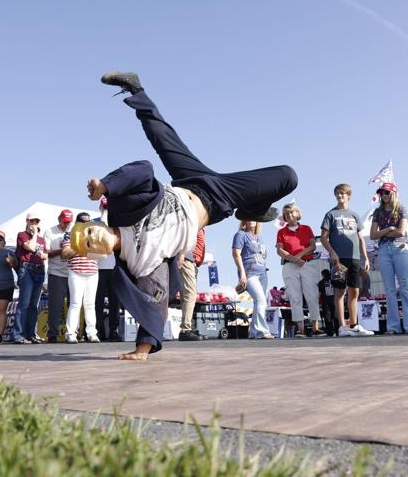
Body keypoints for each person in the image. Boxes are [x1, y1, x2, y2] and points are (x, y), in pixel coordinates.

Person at [69, 71, 297, 360]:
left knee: (162, 136)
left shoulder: (120, 210)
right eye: (89, 244)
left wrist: (106, 185)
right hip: (217, 200)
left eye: (90, 232)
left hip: (188, 181)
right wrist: (142, 349)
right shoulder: (139, 263)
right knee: (288, 176)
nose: (94, 238)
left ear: (97, 224)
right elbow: (155, 301)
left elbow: (143, 170)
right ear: (98, 254)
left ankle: (136, 89)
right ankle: (250, 209)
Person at [320, 183, 373, 337]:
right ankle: (342, 326)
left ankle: (354, 325)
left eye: (342, 193)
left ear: (348, 195)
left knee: (354, 290)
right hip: (339, 260)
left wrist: (365, 257)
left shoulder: (354, 215)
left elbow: (361, 238)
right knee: (339, 291)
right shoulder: (331, 214)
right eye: (337, 193)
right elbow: (323, 238)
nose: (339, 195)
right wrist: (332, 253)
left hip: (354, 258)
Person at [369, 183, 408, 334]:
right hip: (384, 250)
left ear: (394, 193)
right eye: (382, 193)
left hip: (400, 248)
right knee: (389, 290)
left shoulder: (401, 208)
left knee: (405, 288)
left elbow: (401, 232)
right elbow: (372, 235)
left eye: (387, 192)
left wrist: (383, 233)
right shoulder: (378, 212)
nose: (384, 195)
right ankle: (393, 326)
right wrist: (389, 229)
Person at [276, 203, 322, 337]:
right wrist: (294, 259)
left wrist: (299, 256)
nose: (289, 215)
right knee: (294, 297)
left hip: (307, 264)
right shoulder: (281, 232)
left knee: (312, 295)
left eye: (291, 212)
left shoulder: (307, 228)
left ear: (297, 213)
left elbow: (313, 246)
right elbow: (280, 250)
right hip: (290, 266)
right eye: (286, 214)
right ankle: (300, 329)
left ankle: (315, 327)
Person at [61, 212, 100, 343]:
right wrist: (81, 244)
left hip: (92, 272)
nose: (86, 225)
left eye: (88, 223)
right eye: (83, 222)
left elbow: (101, 253)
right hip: (76, 272)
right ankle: (71, 333)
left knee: (90, 304)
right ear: (77, 223)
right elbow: (65, 254)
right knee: (75, 303)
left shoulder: (94, 235)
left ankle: (92, 333)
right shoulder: (70, 234)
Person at [233, 220, 273, 339]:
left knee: (259, 303)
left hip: (262, 273)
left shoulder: (259, 237)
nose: (251, 220)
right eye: (248, 217)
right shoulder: (241, 235)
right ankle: (262, 331)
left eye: (254, 218)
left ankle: (254, 332)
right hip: (250, 273)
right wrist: (242, 274)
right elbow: (236, 254)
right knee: (261, 300)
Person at [14, 213, 48, 344]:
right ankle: (19, 335)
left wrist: (42, 253)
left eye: (36, 221)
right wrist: (34, 235)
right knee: (24, 303)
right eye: (32, 221)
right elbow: (30, 247)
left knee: (34, 305)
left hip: (39, 269)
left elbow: (44, 254)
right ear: (27, 221)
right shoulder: (22, 235)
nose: (34, 224)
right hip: (27, 268)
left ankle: (31, 334)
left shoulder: (42, 240)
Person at [94, 197, 122, 341]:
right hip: (98, 268)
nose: (106, 210)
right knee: (97, 301)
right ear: (100, 208)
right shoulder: (94, 223)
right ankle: (98, 330)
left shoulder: (118, 224)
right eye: (104, 208)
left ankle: (113, 330)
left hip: (114, 267)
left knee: (114, 302)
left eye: (108, 208)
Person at [44, 209, 73, 343]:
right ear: (59, 220)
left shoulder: (74, 231)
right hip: (56, 273)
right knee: (55, 305)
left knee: (74, 304)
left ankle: (72, 333)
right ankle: (52, 334)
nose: (67, 224)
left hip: (73, 272)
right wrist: (62, 250)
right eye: (64, 222)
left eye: (69, 222)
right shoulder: (50, 231)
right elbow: (46, 252)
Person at [178, 228, 207, 341]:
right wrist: (182, 254)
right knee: (190, 294)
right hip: (187, 259)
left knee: (186, 296)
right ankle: (185, 329)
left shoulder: (200, 224)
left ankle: (189, 327)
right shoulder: (194, 222)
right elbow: (184, 236)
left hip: (192, 261)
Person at [317, 269, 337, 336]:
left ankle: (329, 332)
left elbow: (319, 293)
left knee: (327, 317)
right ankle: (337, 331)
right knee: (335, 316)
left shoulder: (321, 282)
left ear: (322, 275)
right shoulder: (333, 281)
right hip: (334, 301)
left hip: (325, 302)